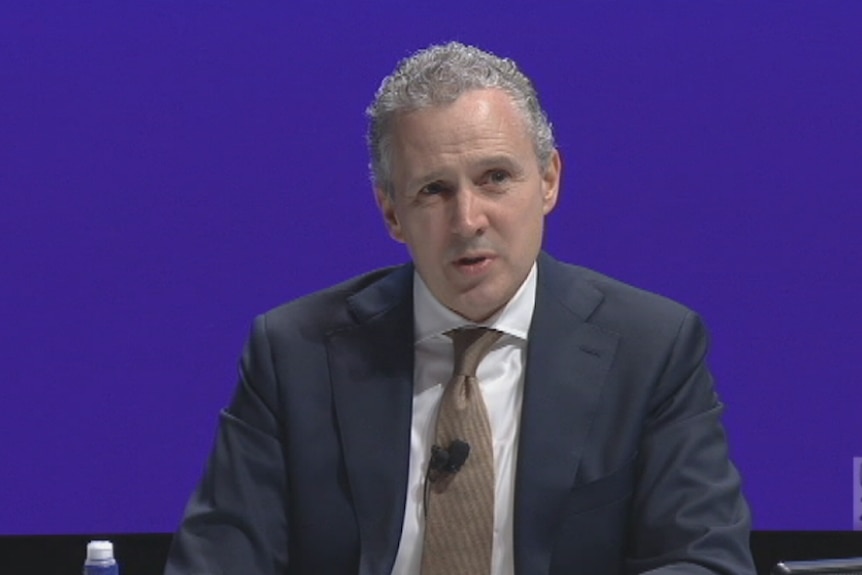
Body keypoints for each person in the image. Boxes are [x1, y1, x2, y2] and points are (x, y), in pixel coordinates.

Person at [165, 42, 755, 575]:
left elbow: (702, 560)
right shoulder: (294, 351)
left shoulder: (652, 348)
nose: (468, 220)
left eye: (495, 177)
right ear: (392, 212)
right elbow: (218, 560)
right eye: (433, 190)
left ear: (548, 181)